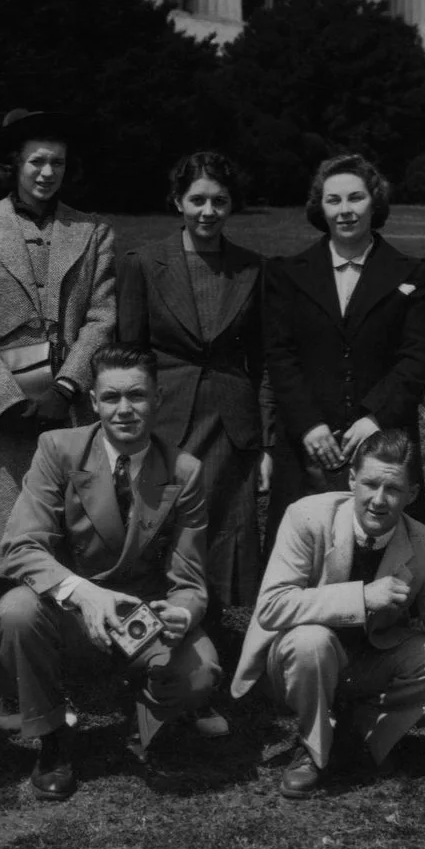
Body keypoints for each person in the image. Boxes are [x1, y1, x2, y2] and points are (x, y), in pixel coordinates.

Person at [0, 346, 220, 800]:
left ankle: (145, 721)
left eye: (137, 396)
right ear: (94, 402)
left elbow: (190, 581)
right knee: (16, 611)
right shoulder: (58, 449)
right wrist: (84, 593)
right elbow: (21, 545)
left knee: (202, 672)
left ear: (157, 399)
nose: (125, 410)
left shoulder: (185, 471)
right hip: (72, 615)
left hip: (142, 619)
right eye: (111, 397)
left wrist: (182, 612)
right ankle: (53, 738)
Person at [233, 426, 425, 798]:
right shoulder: (307, 517)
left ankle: (359, 738)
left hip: (367, 663)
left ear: (411, 494)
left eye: (393, 489)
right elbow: (272, 606)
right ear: (351, 480)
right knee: (312, 639)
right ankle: (312, 750)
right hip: (295, 662)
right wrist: (361, 598)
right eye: (370, 484)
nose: (378, 500)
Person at [0, 109, 119, 570]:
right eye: (36, 162)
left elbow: (102, 318)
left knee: (70, 531)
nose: (47, 173)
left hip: (68, 410)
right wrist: (4, 400)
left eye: (57, 163)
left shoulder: (92, 231)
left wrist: (66, 388)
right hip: (1, 417)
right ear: (14, 165)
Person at [115, 149, 269, 659]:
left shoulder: (252, 268)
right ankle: (151, 634)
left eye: (219, 201)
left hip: (229, 419)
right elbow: (131, 352)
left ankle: (213, 631)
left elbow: (262, 360)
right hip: (167, 415)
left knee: (222, 527)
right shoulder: (143, 263)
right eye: (197, 199)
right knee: (162, 522)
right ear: (178, 201)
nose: (208, 211)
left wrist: (263, 439)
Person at [263, 155, 425, 523]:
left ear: (375, 202)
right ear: (320, 207)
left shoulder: (413, 273)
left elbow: (416, 358)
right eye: (334, 200)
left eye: (355, 198)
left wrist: (376, 418)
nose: (345, 210)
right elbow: (280, 357)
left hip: (384, 438)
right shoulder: (287, 274)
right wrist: (309, 424)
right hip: (308, 444)